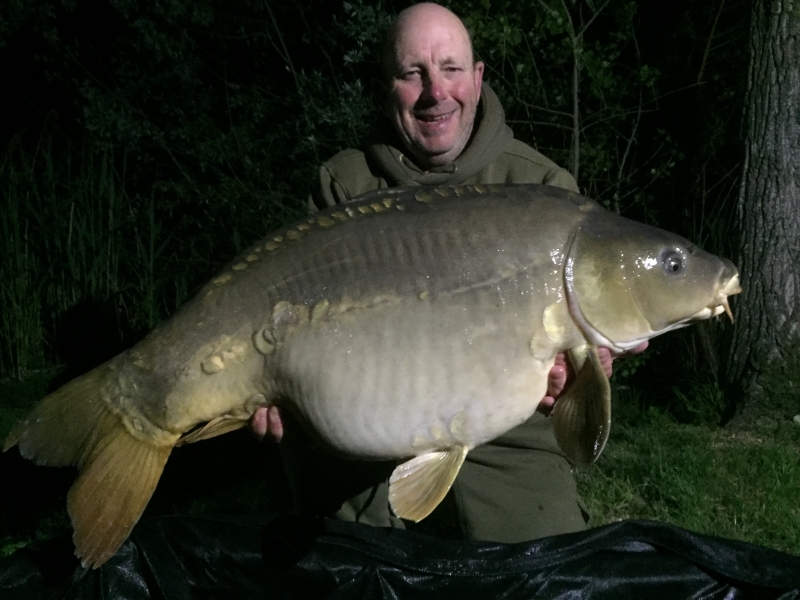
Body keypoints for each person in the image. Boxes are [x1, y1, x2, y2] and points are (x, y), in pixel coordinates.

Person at [250, 2, 646, 543]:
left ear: (478, 78)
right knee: (350, 564)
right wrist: (283, 391)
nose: (436, 92)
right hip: (365, 437)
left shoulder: (544, 189)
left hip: (508, 439)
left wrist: (584, 367)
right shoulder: (345, 185)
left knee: (538, 567)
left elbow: (577, 350)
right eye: (413, 73)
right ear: (387, 87)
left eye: (452, 69)